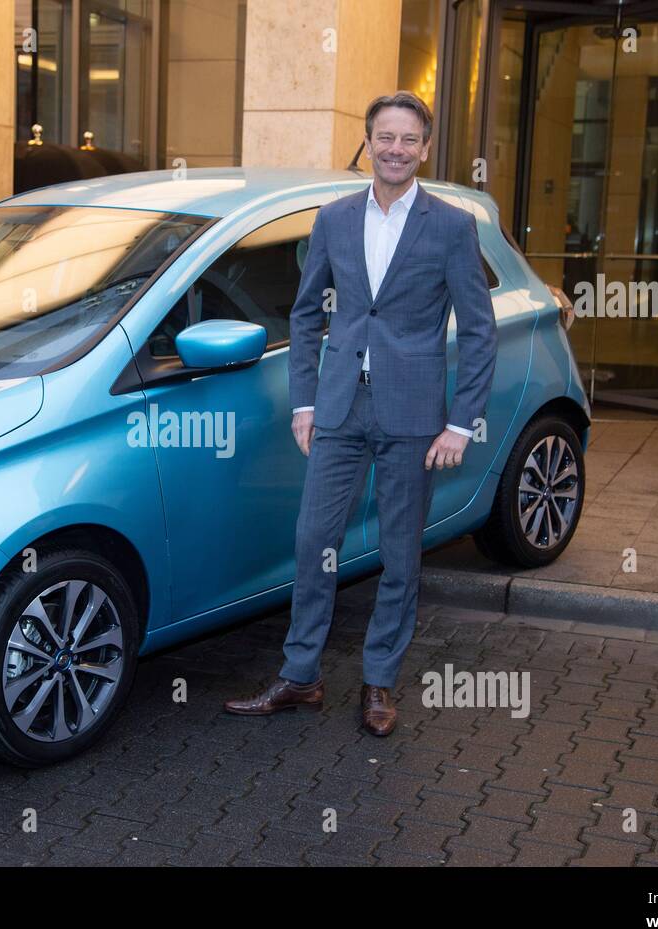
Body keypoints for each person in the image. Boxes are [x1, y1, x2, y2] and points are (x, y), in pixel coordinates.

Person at [224, 91, 498, 736]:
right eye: (385, 138)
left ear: (424, 149)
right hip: (341, 407)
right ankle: (301, 677)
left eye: (409, 139)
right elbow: (304, 315)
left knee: (400, 555)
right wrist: (305, 401)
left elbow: (480, 331)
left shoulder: (453, 226)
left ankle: (379, 683)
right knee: (313, 541)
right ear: (368, 143)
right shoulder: (335, 218)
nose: (396, 149)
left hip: (413, 415)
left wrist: (461, 424)